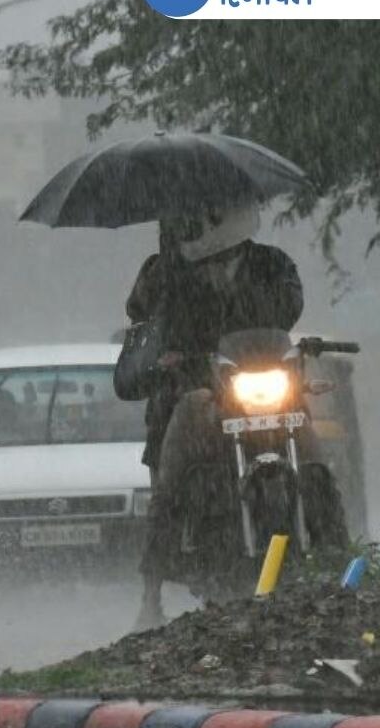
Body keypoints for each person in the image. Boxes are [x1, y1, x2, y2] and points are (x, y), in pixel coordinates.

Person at [126, 201, 303, 630]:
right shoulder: (167, 269)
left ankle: (322, 548)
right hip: (192, 388)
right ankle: (150, 596)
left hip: (257, 384)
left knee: (310, 438)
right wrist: (169, 267)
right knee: (169, 484)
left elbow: (290, 309)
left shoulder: (271, 263)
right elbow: (140, 311)